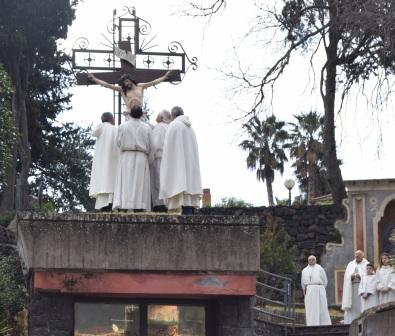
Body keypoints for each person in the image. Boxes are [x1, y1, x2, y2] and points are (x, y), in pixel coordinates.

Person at [159, 106, 202, 215]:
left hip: (178, 165)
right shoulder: (190, 128)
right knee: (188, 196)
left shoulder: (174, 125)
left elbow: (168, 149)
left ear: (173, 115)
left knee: (181, 192)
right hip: (189, 167)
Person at [112, 105, 153, 212]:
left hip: (127, 156)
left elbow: (118, 142)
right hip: (141, 156)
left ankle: (125, 205)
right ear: (141, 115)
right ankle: (139, 206)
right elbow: (151, 145)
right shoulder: (147, 127)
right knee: (140, 183)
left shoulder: (123, 126)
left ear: (130, 114)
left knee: (126, 181)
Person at [87, 71, 173, 116]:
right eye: (124, 83)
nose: (127, 84)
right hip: (129, 114)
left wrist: (165, 77)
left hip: (141, 114)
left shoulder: (140, 86)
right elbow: (107, 85)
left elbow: (153, 82)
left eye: (127, 81)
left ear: (131, 80)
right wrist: (94, 79)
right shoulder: (122, 90)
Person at [89, 112, 119, 211]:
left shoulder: (100, 130)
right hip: (113, 161)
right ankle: (111, 204)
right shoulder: (115, 129)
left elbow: (93, 132)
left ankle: (103, 205)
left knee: (103, 182)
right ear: (111, 119)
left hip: (101, 162)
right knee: (112, 181)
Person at [301, 255, 332, 326]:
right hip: (309, 291)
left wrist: (321, 289)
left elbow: (325, 281)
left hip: (319, 290)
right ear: (308, 261)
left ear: (316, 260)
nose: (311, 261)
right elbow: (303, 284)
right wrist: (306, 291)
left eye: (313, 259)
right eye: (310, 260)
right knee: (311, 309)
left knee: (321, 307)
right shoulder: (304, 270)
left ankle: (324, 324)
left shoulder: (320, 268)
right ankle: (311, 324)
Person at [150, 110, 171, 212]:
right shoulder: (170, 127)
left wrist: (150, 157)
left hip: (159, 158)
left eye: (158, 115)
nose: (156, 117)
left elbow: (155, 144)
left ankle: (159, 205)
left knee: (157, 182)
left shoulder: (159, 127)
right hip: (169, 159)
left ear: (162, 117)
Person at [342, 250, 369, 324]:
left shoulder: (367, 264)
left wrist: (360, 276)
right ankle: (351, 322)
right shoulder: (351, 264)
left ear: (363, 256)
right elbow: (346, 276)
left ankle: (362, 321)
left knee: (361, 305)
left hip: (362, 288)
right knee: (352, 306)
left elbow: (369, 276)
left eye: (359, 254)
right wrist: (351, 276)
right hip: (352, 288)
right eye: (356, 254)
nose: (357, 256)